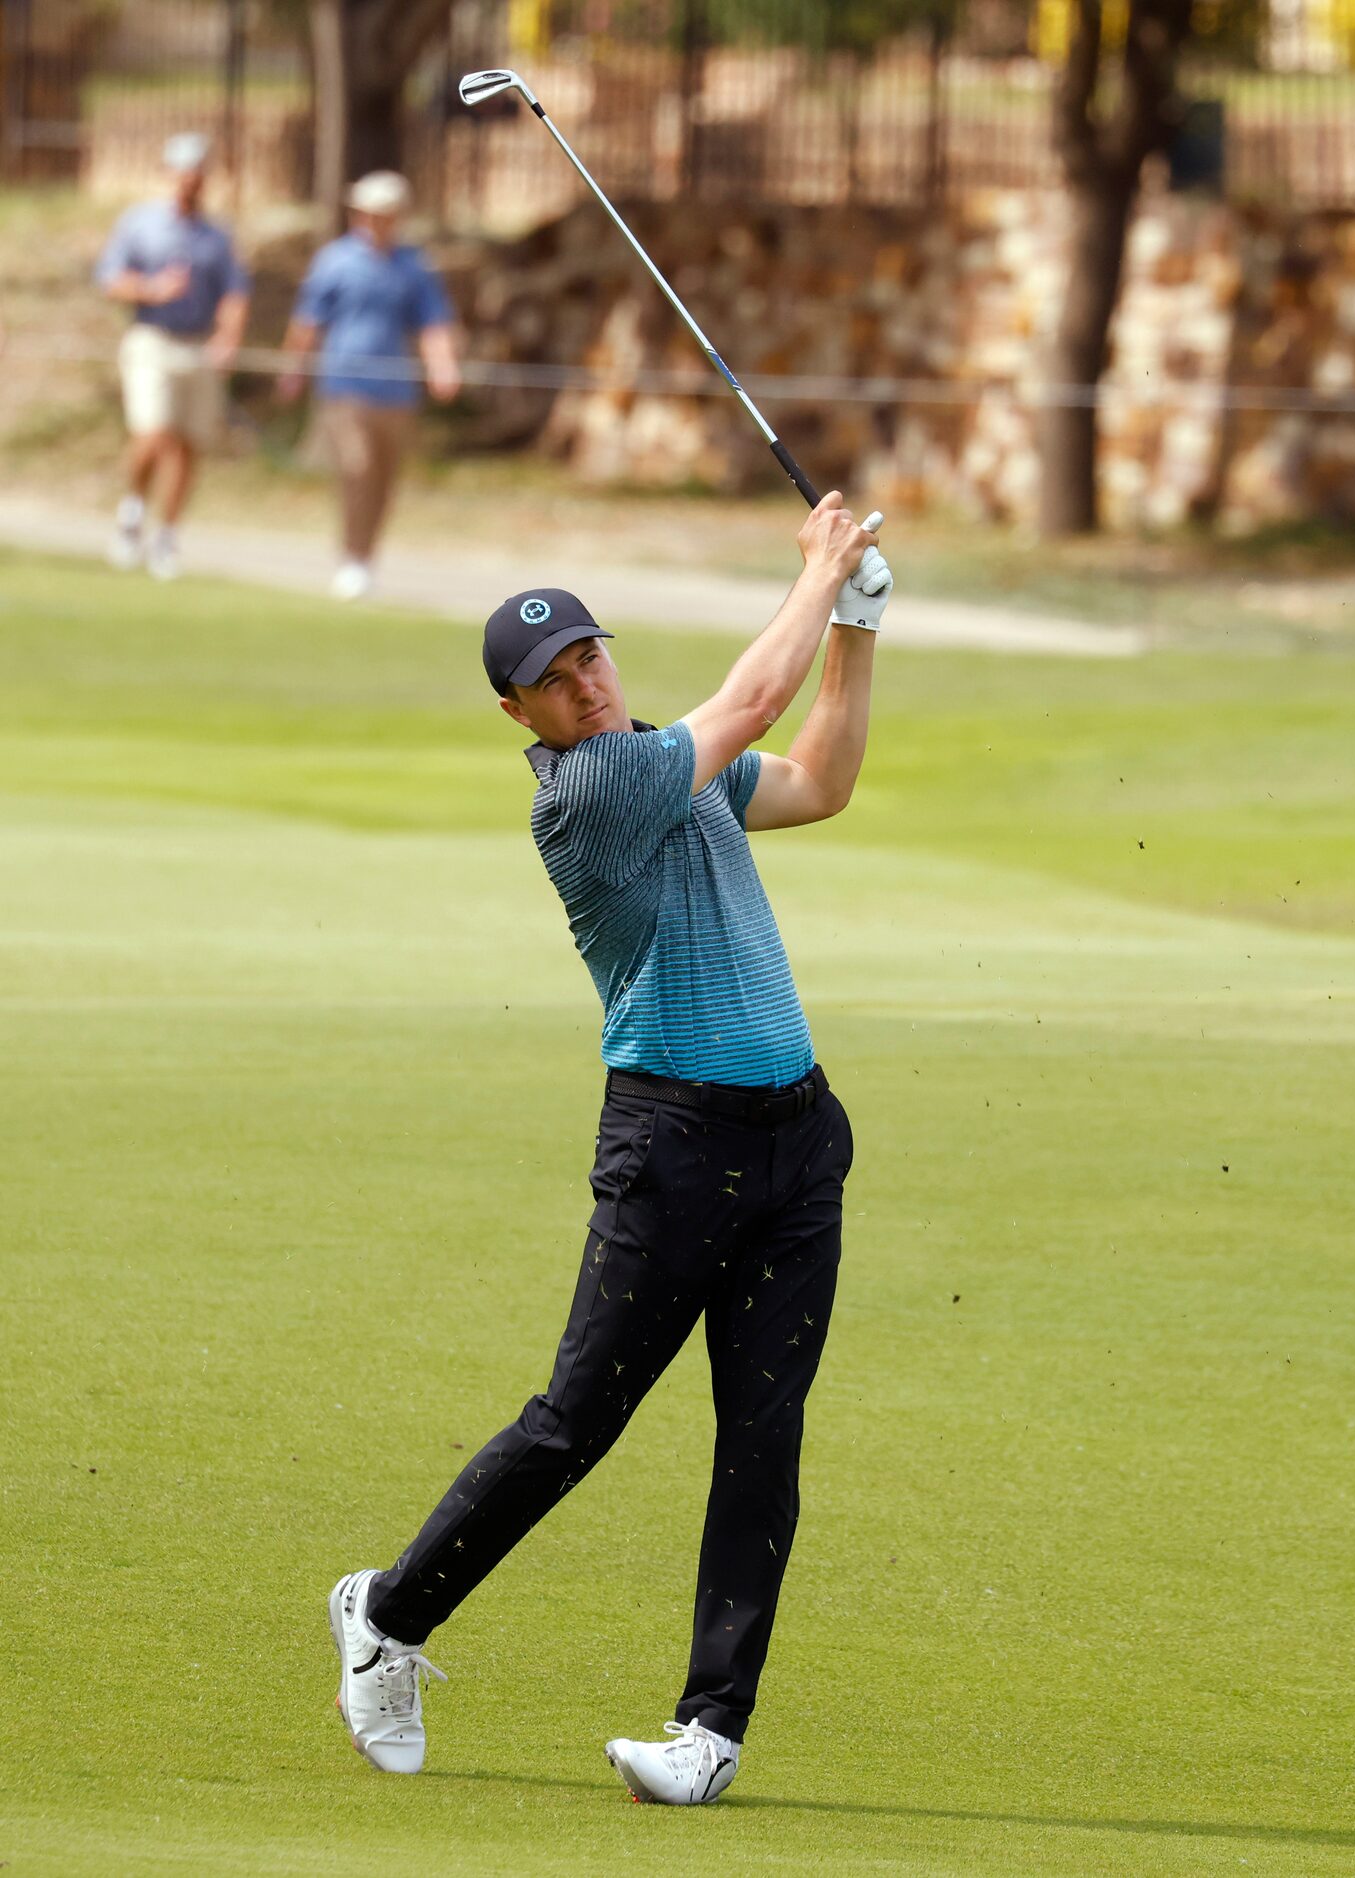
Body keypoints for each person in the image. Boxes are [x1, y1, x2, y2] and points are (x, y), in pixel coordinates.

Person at [327, 493, 893, 1805]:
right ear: (517, 716)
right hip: (674, 1146)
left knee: (764, 1439)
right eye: (550, 679)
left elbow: (818, 778)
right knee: (577, 1419)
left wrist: (856, 627)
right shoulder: (592, 792)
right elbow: (752, 702)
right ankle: (390, 1611)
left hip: (798, 1140)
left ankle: (709, 1732)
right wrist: (819, 570)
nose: (582, 683)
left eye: (589, 655)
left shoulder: (667, 759)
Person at [277, 171, 461, 601]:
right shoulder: (335, 260)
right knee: (356, 470)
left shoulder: (412, 266)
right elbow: (308, 321)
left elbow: (433, 322)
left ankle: (365, 558)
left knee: (383, 479)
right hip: (344, 387)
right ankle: (350, 557)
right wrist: (293, 368)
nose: (374, 220)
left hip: (395, 392)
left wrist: (443, 366)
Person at [96, 133, 249, 580]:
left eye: (198, 173)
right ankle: (132, 513)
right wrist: (150, 289)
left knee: (187, 444)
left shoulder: (217, 235)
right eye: (183, 172)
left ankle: (166, 535)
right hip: (151, 339)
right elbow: (111, 279)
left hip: (198, 343)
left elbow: (234, 293)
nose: (191, 181)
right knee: (153, 433)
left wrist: (229, 337)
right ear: (168, 174)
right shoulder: (139, 223)